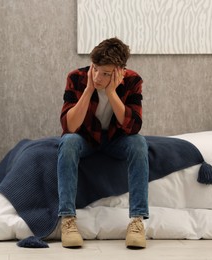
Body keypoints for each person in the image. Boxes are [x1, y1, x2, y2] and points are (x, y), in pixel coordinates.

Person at [57, 37, 149, 249]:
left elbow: (133, 127)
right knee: (68, 142)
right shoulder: (77, 78)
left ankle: (137, 221)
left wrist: (111, 92)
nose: (98, 76)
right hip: (86, 139)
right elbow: (69, 126)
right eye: (96, 69)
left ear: (120, 71)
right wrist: (89, 90)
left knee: (139, 143)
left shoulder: (133, 81)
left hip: (117, 140)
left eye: (106, 73)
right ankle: (68, 220)